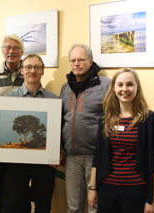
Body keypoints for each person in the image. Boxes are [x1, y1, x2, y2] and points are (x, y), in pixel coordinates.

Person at [88, 68, 154, 213]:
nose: (125, 89)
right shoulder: (105, 119)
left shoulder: (150, 120)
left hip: (136, 191)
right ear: (114, 88)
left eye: (130, 84)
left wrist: (152, 199)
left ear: (137, 87)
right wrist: (93, 188)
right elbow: (98, 156)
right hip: (107, 189)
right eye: (120, 84)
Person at [1, 54, 58, 213]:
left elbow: (57, 131)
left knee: (43, 205)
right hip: (17, 163)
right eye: (28, 67)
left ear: (43, 71)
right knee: (14, 206)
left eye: (37, 67)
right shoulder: (9, 98)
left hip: (45, 163)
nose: (33, 71)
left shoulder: (53, 100)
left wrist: (58, 150)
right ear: (21, 71)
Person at [59, 43, 111, 213]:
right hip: (71, 157)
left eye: (81, 60)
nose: (76, 63)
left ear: (90, 61)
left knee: (94, 206)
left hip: (95, 158)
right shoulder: (65, 88)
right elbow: (60, 119)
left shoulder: (105, 85)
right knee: (73, 207)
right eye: (73, 60)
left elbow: (113, 118)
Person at [0, 34, 25, 212]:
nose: (12, 51)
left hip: (24, 140)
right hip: (0, 139)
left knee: (21, 184)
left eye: (16, 48)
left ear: (21, 52)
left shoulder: (28, 71)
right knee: (1, 182)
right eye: (8, 47)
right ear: (3, 51)